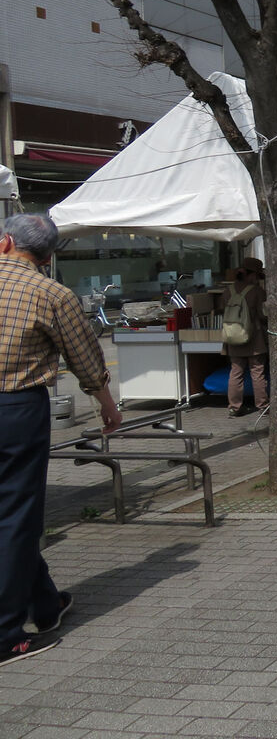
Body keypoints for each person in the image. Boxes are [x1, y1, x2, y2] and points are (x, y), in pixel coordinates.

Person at [0, 213, 123, 666]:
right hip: (16, 407)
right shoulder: (53, 293)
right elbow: (86, 359)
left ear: (6, 242)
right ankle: (6, 634)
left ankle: (45, 604)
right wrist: (106, 404)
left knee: (12, 517)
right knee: (15, 516)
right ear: (47, 256)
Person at [224, 256, 269, 417]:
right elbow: (263, 315)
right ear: (252, 275)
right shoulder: (257, 292)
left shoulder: (228, 291)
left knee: (236, 371)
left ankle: (234, 407)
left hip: (233, 337)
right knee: (257, 371)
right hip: (254, 338)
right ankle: (262, 406)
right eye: (257, 276)